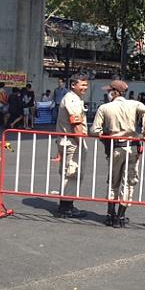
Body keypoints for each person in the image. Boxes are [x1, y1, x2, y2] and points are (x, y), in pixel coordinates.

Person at [90, 80, 145, 228]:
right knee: (128, 182)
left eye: (109, 91)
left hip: (115, 147)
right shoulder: (134, 104)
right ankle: (121, 216)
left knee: (113, 181)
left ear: (114, 92)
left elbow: (94, 130)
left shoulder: (104, 108)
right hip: (132, 147)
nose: (107, 93)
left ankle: (109, 215)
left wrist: (102, 134)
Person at [55, 73, 89, 218]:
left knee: (69, 172)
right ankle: (66, 207)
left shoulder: (75, 98)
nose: (85, 88)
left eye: (86, 85)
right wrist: (81, 143)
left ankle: (67, 204)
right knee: (72, 173)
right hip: (72, 142)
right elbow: (75, 124)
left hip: (69, 140)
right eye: (82, 85)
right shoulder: (72, 100)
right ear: (73, 85)